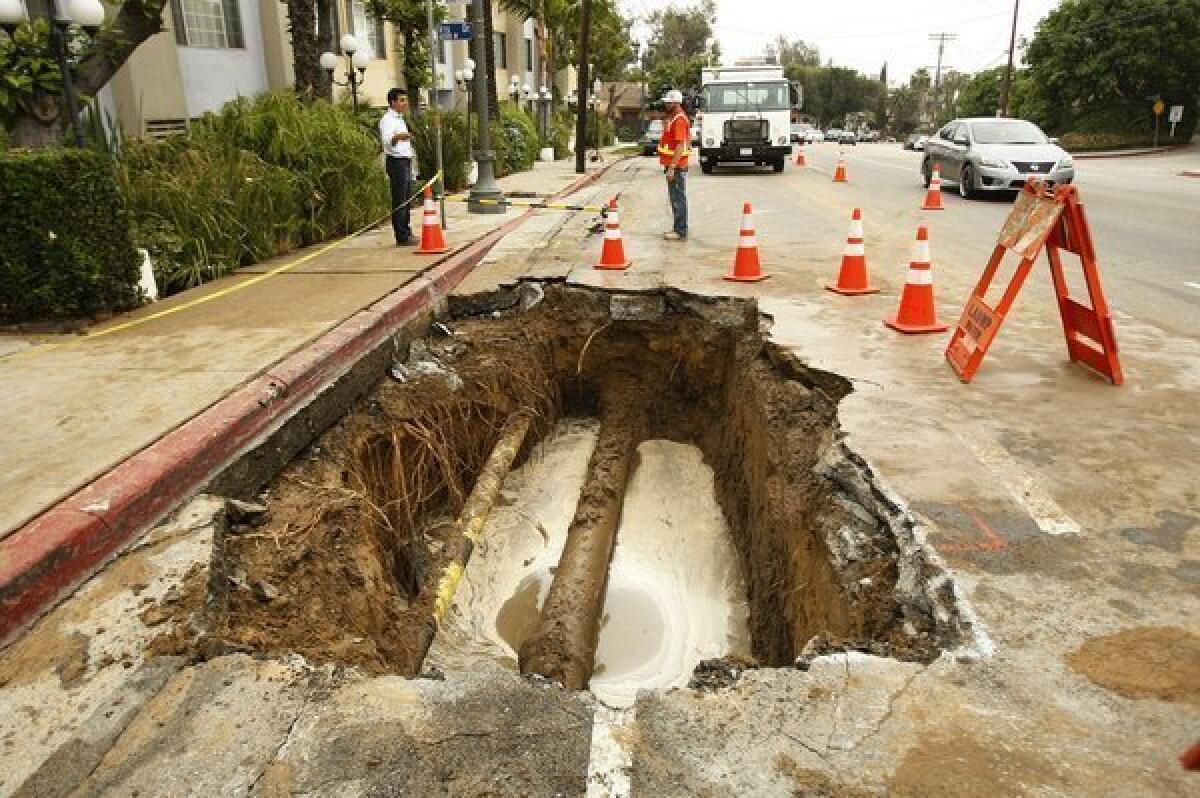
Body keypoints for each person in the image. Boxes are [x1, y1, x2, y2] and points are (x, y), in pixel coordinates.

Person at [380, 88, 416, 245]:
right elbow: (388, 142)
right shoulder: (387, 120)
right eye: (401, 100)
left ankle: (406, 231)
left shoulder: (400, 119)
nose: (405, 103)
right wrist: (398, 137)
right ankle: (401, 236)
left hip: (405, 161)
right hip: (396, 162)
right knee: (399, 200)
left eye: (405, 100)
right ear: (392, 102)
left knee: (407, 199)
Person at [657, 89, 691, 241]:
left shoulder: (679, 120)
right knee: (676, 198)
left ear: (676, 103)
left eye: (669, 102)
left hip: (676, 166)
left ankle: (680, 230)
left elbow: (679, 145)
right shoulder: (673, 118)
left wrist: (672, 167)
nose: (666, 104)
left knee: (678, 199)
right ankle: (678, 228)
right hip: (674, 165)